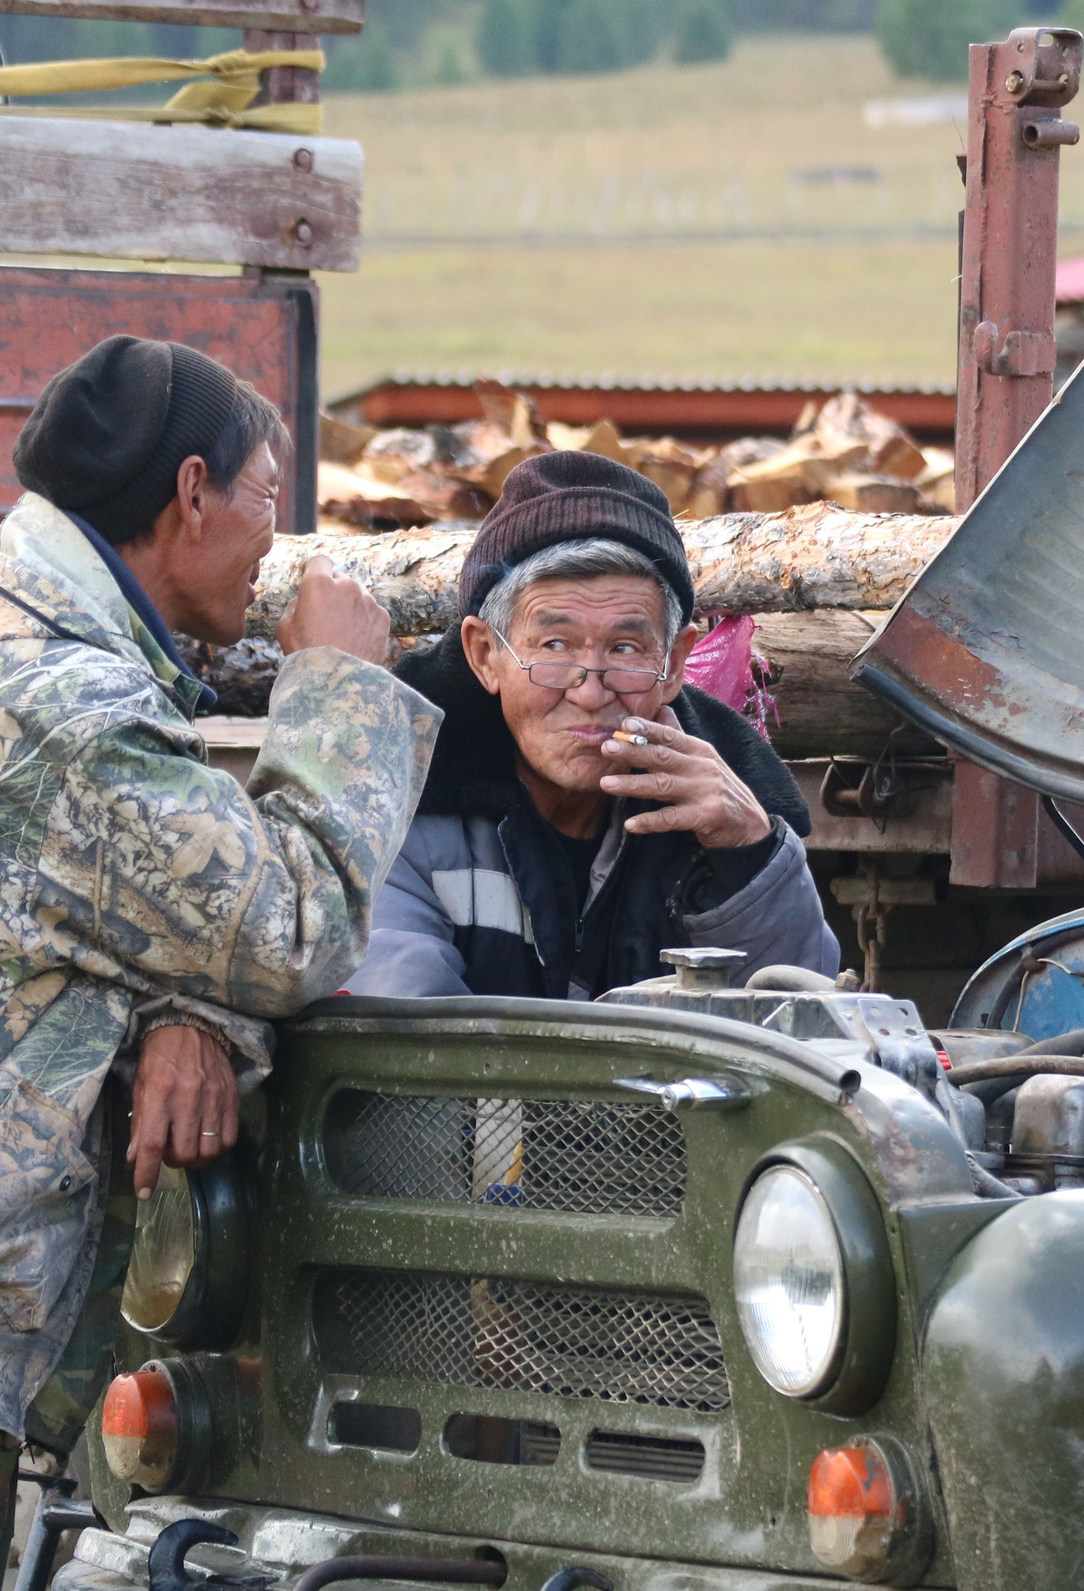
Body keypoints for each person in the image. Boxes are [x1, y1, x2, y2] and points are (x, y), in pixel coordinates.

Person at [0, 338, 439, 1494]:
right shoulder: (70, 709)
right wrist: (340, 683)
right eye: (263, 500)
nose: (276, 544)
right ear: (190, 491)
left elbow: (73, 911)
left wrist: (188, 1006)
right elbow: (291, 925)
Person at [347, 451, 839, 1000]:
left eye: (625, 648)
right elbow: (401, 1029)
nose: (589, 690)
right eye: (554, 645)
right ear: (485, 655)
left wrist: (748, 851)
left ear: (673, 665)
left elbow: (799, 1015)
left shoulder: (724, 818)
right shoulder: (395, 801)